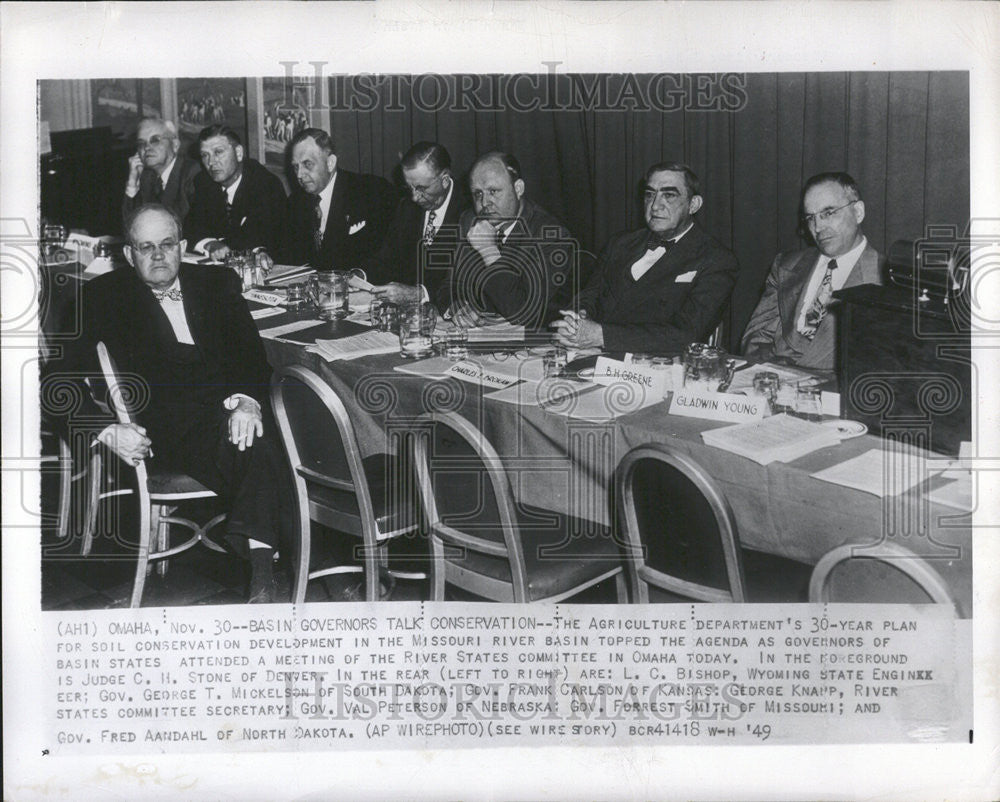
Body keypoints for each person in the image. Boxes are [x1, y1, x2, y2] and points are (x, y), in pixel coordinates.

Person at [45, 204, 288, 603]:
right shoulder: (101, 297)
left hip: (229, 411)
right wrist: (107, 430)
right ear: (129, 254)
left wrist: (247, 400)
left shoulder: (217, 281)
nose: (158, 256)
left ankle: (272, 571)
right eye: (145, 247)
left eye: (167, 244)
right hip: (169, 427)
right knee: (262, 447)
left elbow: (250, 357)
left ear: (183, 246)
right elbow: (53, 383)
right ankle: (269, 573)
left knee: (284, 431)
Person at [553, 162, 738, 352]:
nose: (655, 206)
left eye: (669, 195)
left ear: (693, 205)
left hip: (658, 367)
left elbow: (686, 335)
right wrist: (578, 317)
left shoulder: (716, 259)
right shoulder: (620, 244)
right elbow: (590, 295)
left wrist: (601, 336)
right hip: (592, 356)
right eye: (650, 194)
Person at [741, 172, 884, 371]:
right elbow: (757, 338)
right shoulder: (786, 265)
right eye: (810, 217)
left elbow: (875, 367)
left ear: (858, 212)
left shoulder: (885, 281)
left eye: (828, 213)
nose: (818, 227)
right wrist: (773, 376)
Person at [440, 151, 577, 329]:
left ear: (518, 188)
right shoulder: (470, 220)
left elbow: (521, 311)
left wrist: (489, 251)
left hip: (535, 341)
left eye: (493, 191)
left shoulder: (552, 235)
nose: (484, 203)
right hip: (480, 336)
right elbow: (449, 285)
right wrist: (456, 306)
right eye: (477, 194)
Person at [364, 141, 467, 306]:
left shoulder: (469, 211)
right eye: (409, 188)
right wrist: (360, 276)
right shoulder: (407, 207)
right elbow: (387, 258)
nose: (414, 197)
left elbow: (466, 282)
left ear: (445, 180)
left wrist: (419, 294)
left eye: (421, 188)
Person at [283, 128, 397, 271]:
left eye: (308, 164)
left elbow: (389, 253)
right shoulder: (295, 202)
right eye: (295, 167)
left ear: (330, 163)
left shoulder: (370, 191)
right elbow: (290, 255)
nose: (299, 174)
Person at [185, 125, 287, 270]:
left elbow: (257, 237)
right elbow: (190, 227)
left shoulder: (265, 184)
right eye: (204, 155)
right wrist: (210, 244)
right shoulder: (204, 182)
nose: (211, 162)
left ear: (238, 153)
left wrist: (221, 244)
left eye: (218, 152)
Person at [121, 118, 200, 225]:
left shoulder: (192, 173)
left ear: (175, 145)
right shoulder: (146, 176)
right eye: (141, 143)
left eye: (155, 140)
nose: (147, 148)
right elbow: (131, 227)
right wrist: (132, 183)